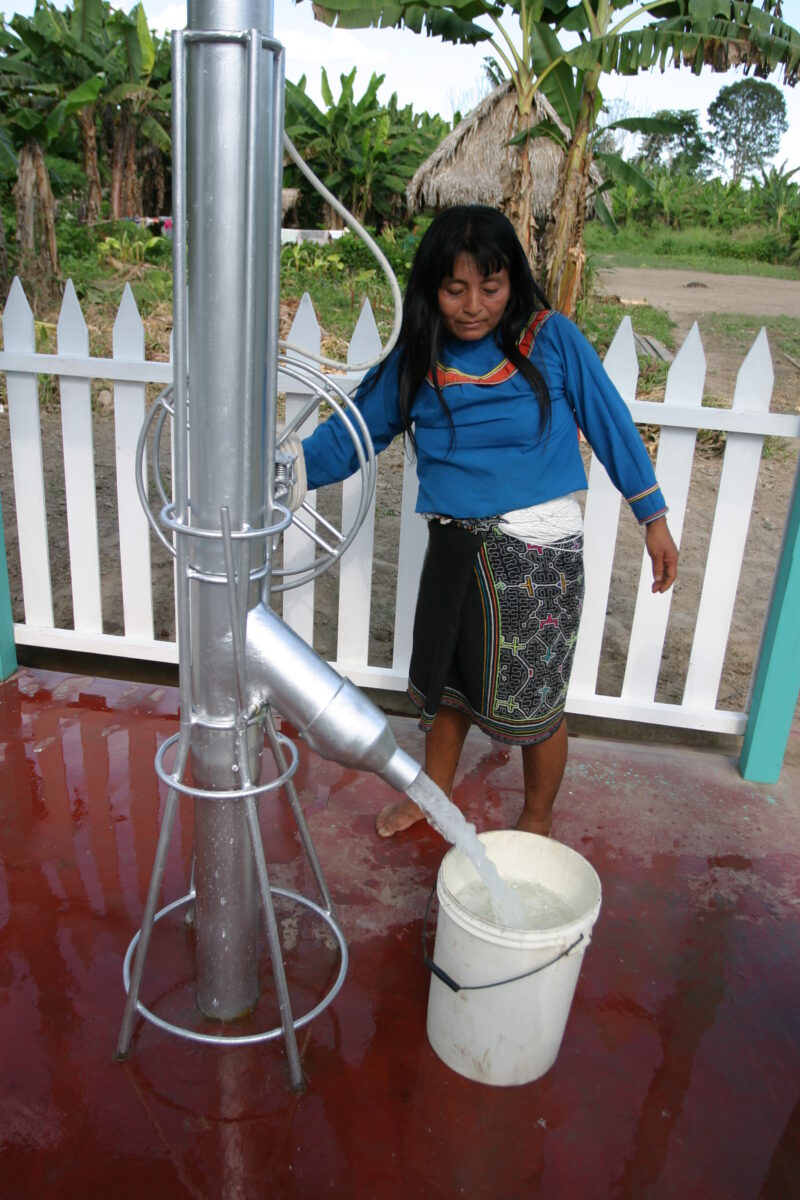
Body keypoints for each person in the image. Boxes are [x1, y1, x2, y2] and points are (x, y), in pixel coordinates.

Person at [299, 205, 678, 839]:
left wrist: (654, 517)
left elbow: (610, 423)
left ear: (512, 283)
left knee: (536, 704)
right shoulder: (417, 356)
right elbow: (349, 437)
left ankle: (536, 818)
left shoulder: (551, 339)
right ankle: (431, 798)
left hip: (537, 554)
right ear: (433, 289)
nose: (473, 304)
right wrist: (275, 470)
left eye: (490, 287)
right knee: (447, 690)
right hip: (453, 546)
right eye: (455, 289)